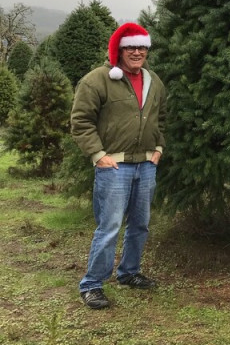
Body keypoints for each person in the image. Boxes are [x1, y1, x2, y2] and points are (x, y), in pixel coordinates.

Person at [70, 22, 167, 309]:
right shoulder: (97, 80)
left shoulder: (154, 81)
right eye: (130, 48)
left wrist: (158, 147)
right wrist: (98, 154)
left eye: (142, 47)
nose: (137, 53)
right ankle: (92, 284)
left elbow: (161, 118)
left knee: (141, 224)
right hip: (114, 167)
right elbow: (81, 122)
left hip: (146, 164)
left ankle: (129, 272)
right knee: (110, 225)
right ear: (119, 50)